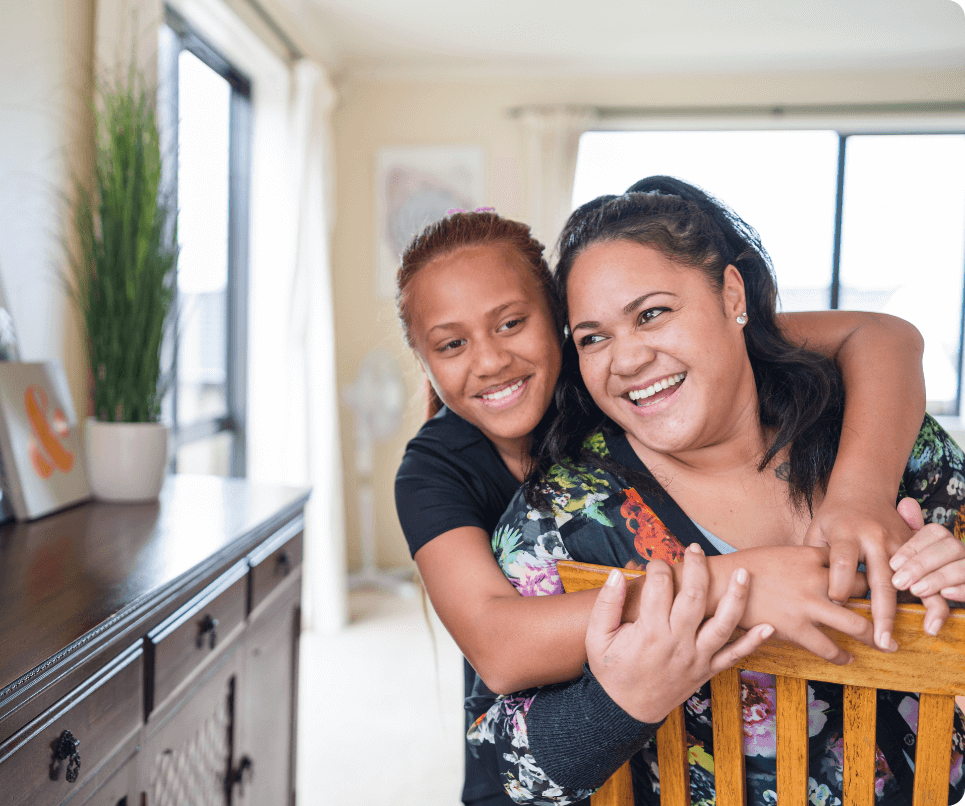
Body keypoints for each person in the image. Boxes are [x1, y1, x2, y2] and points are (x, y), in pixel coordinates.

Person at [393, 209, 934, 804]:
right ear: (423, 361)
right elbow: (499, 647)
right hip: (546, 744)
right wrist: (737, 586)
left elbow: (883, 336)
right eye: (451, 344)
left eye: (512, 324)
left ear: (557, 323)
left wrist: (861, 491)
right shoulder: (438, 472)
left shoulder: (631, 369)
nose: (491, 360)